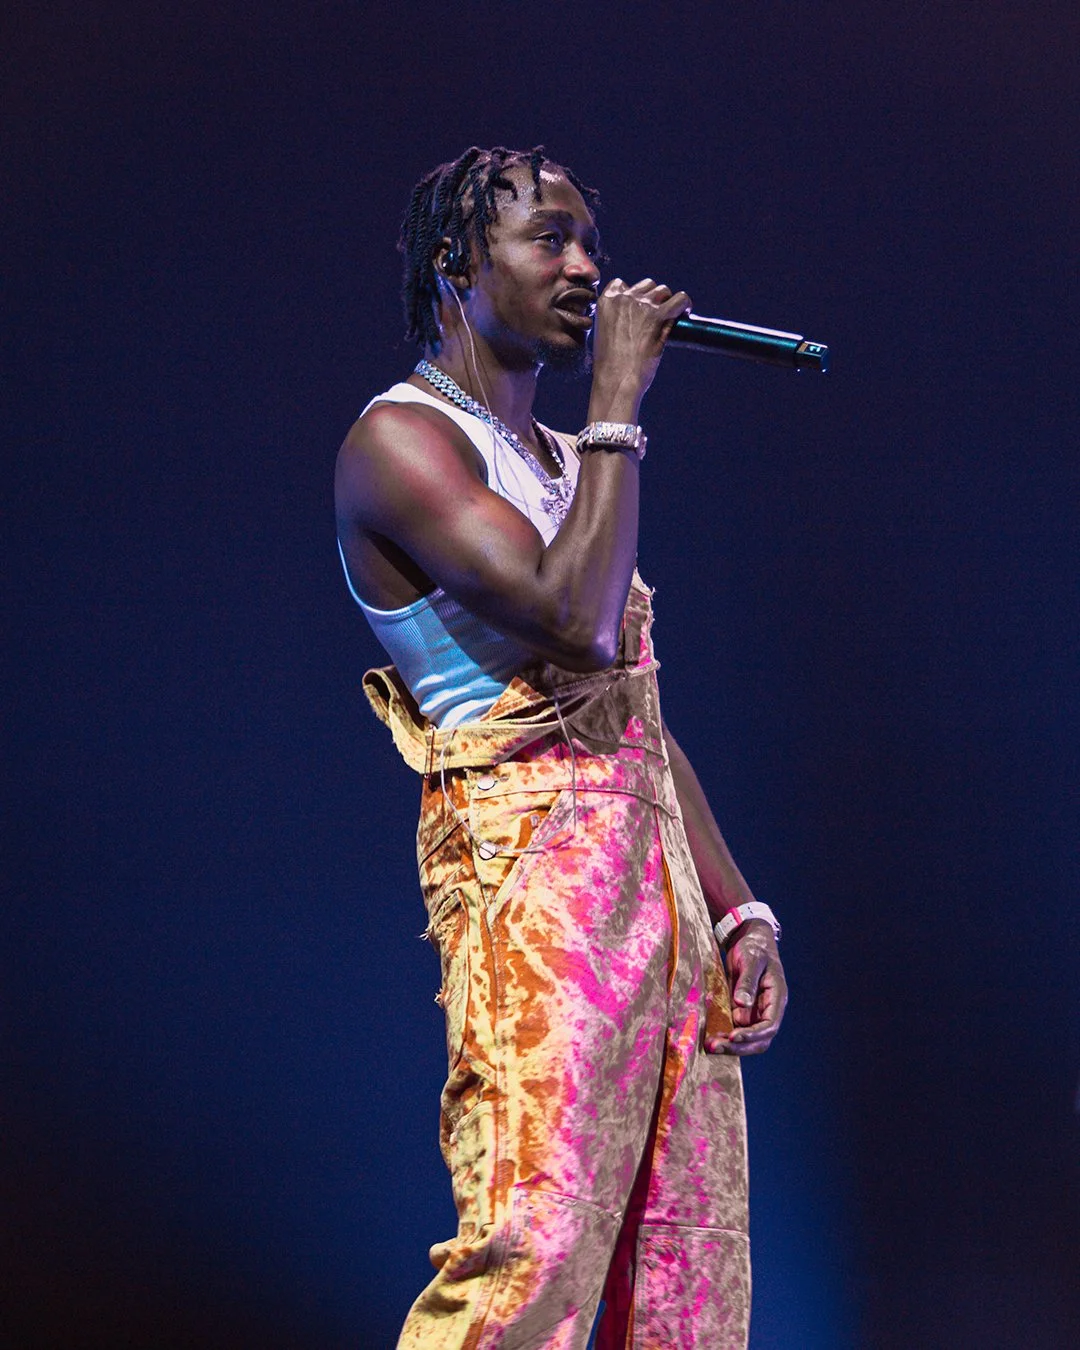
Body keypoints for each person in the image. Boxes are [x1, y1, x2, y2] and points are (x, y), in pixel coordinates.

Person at [334, 145, 788, 1350]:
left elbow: (633, 716)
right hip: (533, 881)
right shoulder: (401, 441)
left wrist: (739, 911)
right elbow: (580, 626)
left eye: (592, 238)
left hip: (654, 886)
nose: (587, 265)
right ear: (457, 264)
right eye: (550, 238)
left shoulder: (555, 460)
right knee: (534, 1249)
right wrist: (619, 407)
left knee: (682, 1262)